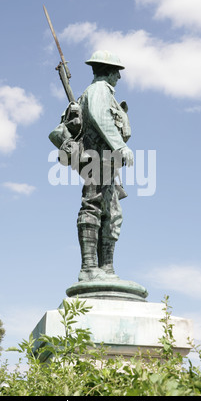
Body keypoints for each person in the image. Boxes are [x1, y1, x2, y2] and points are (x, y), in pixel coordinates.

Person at [76, 50, 134, 281]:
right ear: (109, 72)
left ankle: (106, 268)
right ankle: (89, 268)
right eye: (117, 73)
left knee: (112, 213)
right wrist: (120, 146)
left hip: (106, 159)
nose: (118, 78)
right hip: (96, 155)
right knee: (93, 205)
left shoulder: (102, 91)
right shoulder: (99, 89)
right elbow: (101, 117)